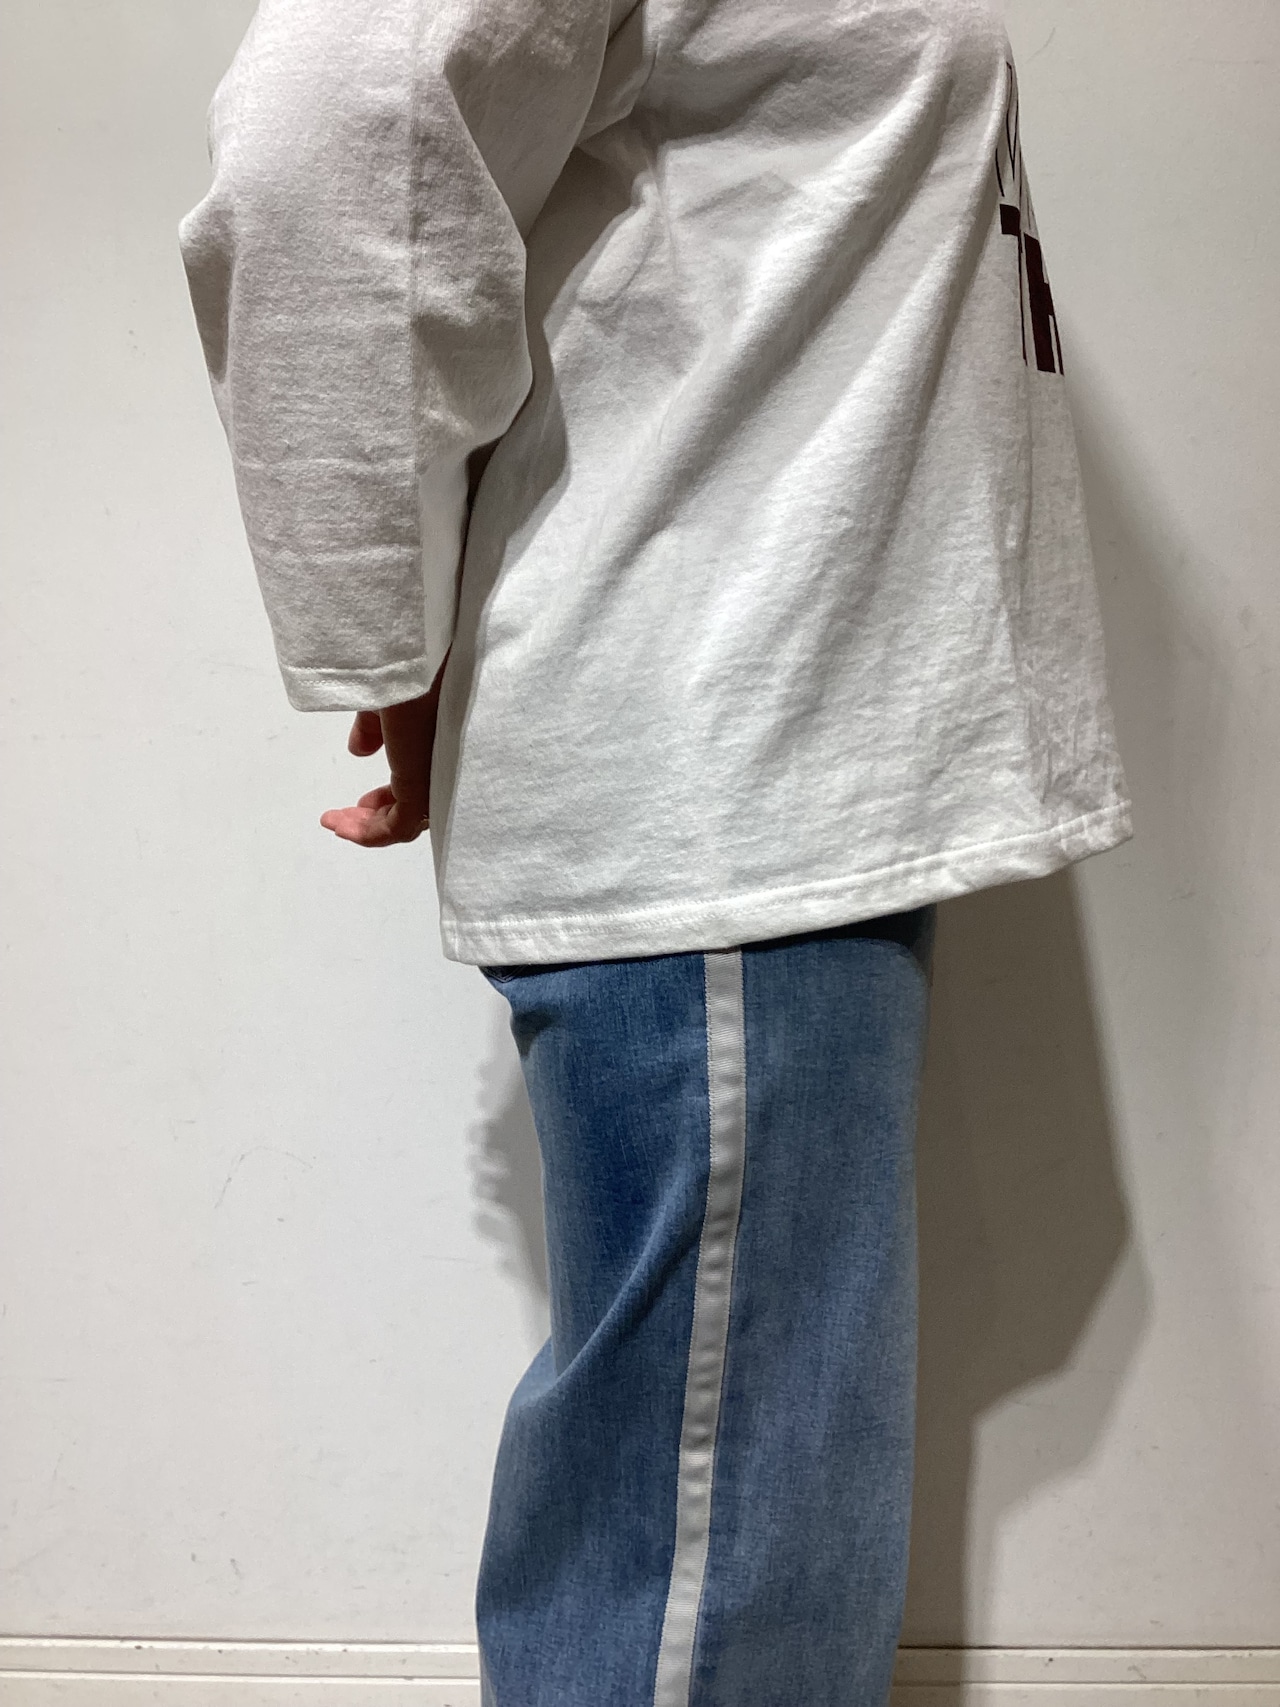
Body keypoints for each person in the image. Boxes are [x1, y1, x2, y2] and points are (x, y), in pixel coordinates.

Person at [179, 0, 1131, 1701]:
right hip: (720, 769)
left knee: (748, 1533)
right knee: (713, 1576)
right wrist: (383, 630)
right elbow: (331, 118)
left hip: (783, 770)